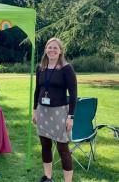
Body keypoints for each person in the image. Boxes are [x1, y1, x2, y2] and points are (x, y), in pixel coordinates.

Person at [33, 37, 77, 182]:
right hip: (42, 111)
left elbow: (73, 94)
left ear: (60, 51)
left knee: (63, 149)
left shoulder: (66, 68)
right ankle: (48, 177)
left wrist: (70, 116)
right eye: (49, 47)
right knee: (45, 146)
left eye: (55, 48)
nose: (52, 50)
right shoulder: (40, 68)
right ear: (45, 49)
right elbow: (37, 90)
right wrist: (35, 111)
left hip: (60, 112)